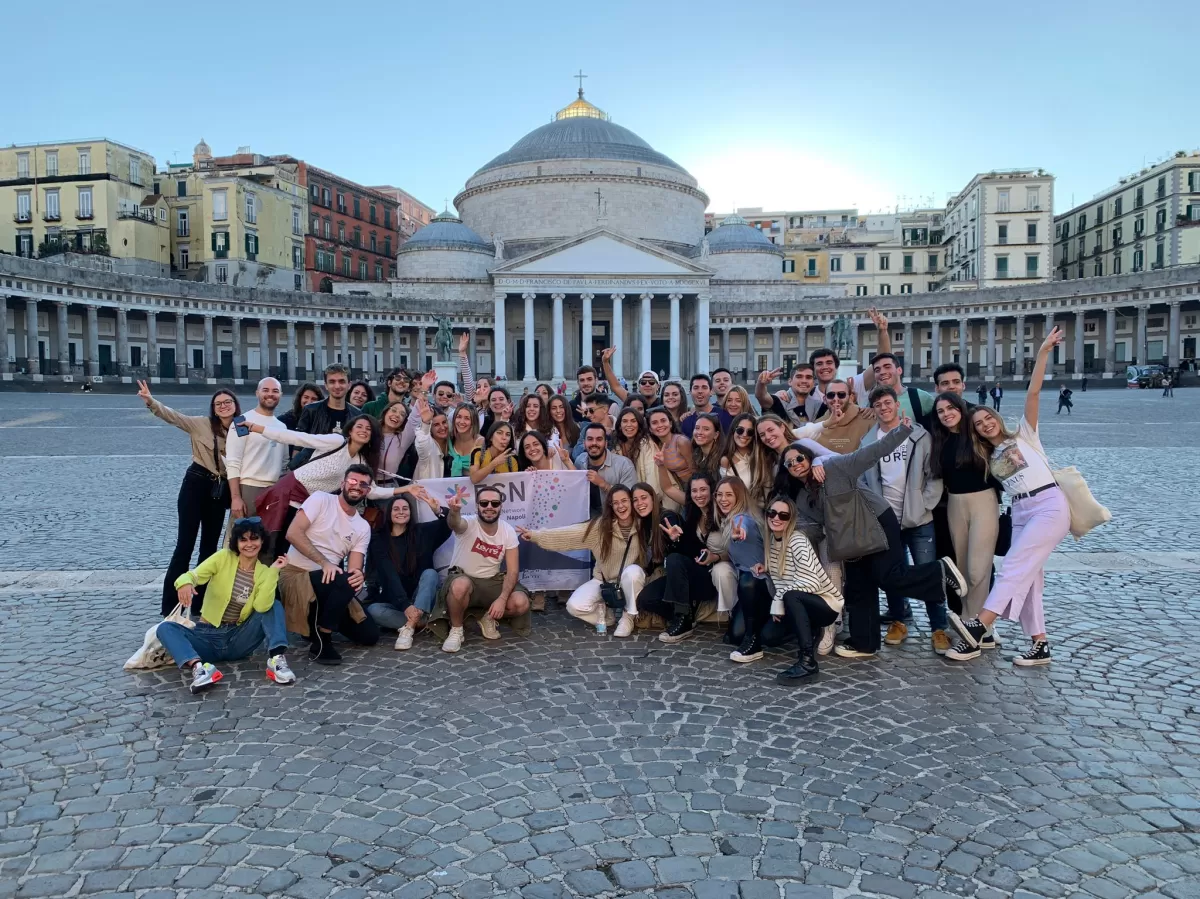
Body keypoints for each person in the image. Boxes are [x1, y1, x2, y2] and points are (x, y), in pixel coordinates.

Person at [947, 327, 1071, 666]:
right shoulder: (985, 457)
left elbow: (1034, 393)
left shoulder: (1025, 435)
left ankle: (978, 627)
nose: (985, 424)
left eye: (988, 418)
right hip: (1020, 511)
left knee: (1013, 566)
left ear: (997, 418)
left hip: (1048, 506)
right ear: (975, 432)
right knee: (1029, 579)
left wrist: (1043, 351)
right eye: (978, 423)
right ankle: (1040, 643)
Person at [797, 423, 966, 658]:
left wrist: (902, 431)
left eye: (799, 459)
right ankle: (864, 643)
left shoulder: (835, 467)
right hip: (849, 537)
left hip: (874, 520)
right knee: (859, 586)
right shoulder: (803, 496)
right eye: (789, 463)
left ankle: (940, 572)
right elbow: (813, 524)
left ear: (810, 458)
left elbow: (872, 452)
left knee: (888, 575)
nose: (795, 464)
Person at [157, 517, 294, 693]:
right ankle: (200, 669)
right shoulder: (223, 557)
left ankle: (277, 660)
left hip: (238, 639)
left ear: (262, 541)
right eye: (243, 539)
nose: (249, 544)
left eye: (254, 538)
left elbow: (261, 607)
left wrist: (274, 571)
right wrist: (184, 583)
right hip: (207, 637)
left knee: (273, 605)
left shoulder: (264, 572)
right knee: (165, 628)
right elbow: (194, 575)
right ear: (236, 542)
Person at [859, 386, 950, 653]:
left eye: (888, 403)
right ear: (873, 409)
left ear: (897, 405)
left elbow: (934, 474)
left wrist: (924, 505)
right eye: (878, 404)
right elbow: (863, 480)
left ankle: (939, 627)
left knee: (928, 571)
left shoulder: (919, 435)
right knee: (892, 574)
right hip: (886, 520)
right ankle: (898, 621)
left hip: (919, 518)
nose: (884, 408)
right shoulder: (868, 441)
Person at [138, 381, 238, 617]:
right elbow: (173, 417)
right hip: (195, 484)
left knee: (209, 549)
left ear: (235, 405)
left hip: (219, 490)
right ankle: (170, 608)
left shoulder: (242, 429)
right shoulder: (200, 424)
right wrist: (151, 402)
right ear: (213, 409)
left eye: (228, 402)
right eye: (218, 404)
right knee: (184, 545)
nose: (223, 406)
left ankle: (201, 605)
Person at [277, 465, 380, 664]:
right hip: (297, 575)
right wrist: (324, 563)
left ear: (367, 491)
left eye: (363, 484)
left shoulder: (362, 527)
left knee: (369, 635)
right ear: (342, 483)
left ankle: (316, 622)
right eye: (352, 481)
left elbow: (354, 568)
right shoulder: (321, 499)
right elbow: (293, 533)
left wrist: (359, 575)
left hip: (330, 583)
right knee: (339, 579)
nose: (356, 486)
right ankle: (322, 639)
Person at [518, 485, 645, 636]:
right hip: (604, 581)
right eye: (615, 502)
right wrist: (536, 536)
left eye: (624, 501)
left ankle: (628, 617)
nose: (620, 506)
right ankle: (605, 616)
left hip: (630, 581)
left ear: (631, 501)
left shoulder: (643, 525)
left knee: (633, 572)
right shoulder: (600, 527)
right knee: (574, 606)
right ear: (610, 506)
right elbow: (570, 534)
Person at [929, 392, 1001, 634]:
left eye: (951, 408)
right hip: (955, 504)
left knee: (978, 568)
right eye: (941, 411)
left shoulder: (976, 435)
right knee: (962, 568)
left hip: (983, 501)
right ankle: (972, 620)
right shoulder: (939, 441)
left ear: (960, 408)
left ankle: (977, 625)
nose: (946, 414)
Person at [758, 495, 844, 685]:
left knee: (791, 596)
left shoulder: (797, 540)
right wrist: (766, 568)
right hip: (800, 601)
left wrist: (779, 600)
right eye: (772, 513)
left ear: (791, 520)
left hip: (825, 604)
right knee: (768, 637)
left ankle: (808, 662)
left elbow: (812, 582)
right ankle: (810, 629)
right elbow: (784, 575)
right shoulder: (772, 540)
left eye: (783, 515)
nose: (776, 518)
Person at [435, 484, 532, 652]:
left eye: (495, 503)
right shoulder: (469, 522)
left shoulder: (508, 530)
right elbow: (455, 524)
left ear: (501, 506)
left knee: (521, 603)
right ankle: (456, 630)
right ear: (477, 506)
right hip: (465, 579)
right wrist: (454, 512)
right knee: (460, 585)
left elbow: (513, 571)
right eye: (484, 503)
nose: (489, 507)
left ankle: (487, 617)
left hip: (492, 582)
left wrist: (502, 599)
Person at [637, 473, 727, 643]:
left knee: (674, 560)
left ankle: (682, 621)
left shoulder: (722, 513)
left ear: (712, 491)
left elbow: (735, 549)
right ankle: (686, 615)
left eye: (703, 489)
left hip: (715, 574)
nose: (699, 495)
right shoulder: (693, 515)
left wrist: (716, 557)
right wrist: (676, 539)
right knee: (646, 598)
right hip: (693, 572)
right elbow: (689, 549)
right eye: (694, 491)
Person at [367, 488, 453, 650]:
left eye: (405, 508)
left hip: (423, 598)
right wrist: (405, 605)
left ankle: (410, 626)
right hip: (397, 601)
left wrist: (437, 510)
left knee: (430, 574)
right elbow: (389, 575)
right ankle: (422, 621)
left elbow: (448, 525)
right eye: (396, 509)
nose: (401, 512)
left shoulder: (422, 532)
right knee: (373, 610)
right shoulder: (379, 539)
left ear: (410, 512)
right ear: (389, 513)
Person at [223, 377, 285, 557]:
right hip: (248, 489)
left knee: (267, 547)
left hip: (273, 492)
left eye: (275, 391)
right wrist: (236, 497)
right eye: (266, 390)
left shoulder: (281, 426)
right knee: (240, 545)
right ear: (257, 393)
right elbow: (233, 462)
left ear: (280, 395)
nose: (270, 394)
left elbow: (284, 464)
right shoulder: (242, 421)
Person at [806, 307, 889, 416]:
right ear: (813, 369)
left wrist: (882, 332)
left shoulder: (853, 385)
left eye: (829, 363)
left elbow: (882, 361)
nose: (825, 367)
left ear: (836, 367)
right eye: (819, 364)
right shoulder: (808, 396)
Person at [291, 363, 361, 469]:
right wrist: (294, 471)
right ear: (326, 385)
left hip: (344, 471)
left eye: (341, 381)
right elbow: (299, 443)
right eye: (332, 382)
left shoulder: (357, 414)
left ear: (349, 385)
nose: (337, 386)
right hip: (312, 469)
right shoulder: (311, 410)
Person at [575, 422, 637, 514]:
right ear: (584, 443)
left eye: (599, 439)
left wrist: (603, 484)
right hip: (586, 517)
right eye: (590, 439)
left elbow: (629, 498)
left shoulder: (624, 465)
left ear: (606, 443)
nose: (594, 443)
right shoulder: (580, 460)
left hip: (614, 517)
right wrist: (566, 461)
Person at [807, 379, 877, 453]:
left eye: (841, 395)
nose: (835, 399)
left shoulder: (868, 418)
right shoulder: (818, 425)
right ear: (824, 399)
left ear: (851, 398)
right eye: (831, 395)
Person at [719, 412, 774, 504]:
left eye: (750, 432)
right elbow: (726, 492)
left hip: (764, 508)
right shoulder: (726, 460)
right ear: (733, 431)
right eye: (740, 430)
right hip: (741, 509)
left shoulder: (762, 455)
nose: (744, 435)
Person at [871, 351, 934, 427]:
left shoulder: (921, 397)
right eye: (877, 370)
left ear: (899, 370)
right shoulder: (871, 402)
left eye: (887, 367)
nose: (882, 372)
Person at [648, 406, 693, 512]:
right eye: (654, 423)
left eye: (663, 421)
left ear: (671, 423)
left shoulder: (681, 442)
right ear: (650, 429)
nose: (660, 425)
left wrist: (695, 491)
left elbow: (695, 469)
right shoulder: (657, 446)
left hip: (692, 487)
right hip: (677, 489)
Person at [756, 364, 822, 427]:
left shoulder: (820, 407)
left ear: (813, 383)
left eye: (808, 377)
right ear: (790, 382)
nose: (804, 381)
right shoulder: (779, 400)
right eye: (799, 377)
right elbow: (762, 397)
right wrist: (761, 384)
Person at [613, 407, 657, 485]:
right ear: (620, 426)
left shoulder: (647, 444)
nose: (629, 425)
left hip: (646, 490)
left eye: (633, 421)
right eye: (625, 421)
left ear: (639, 425)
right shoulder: (616, 448)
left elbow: (652, 479)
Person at [446, 402, 483, 477]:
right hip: (450, 483)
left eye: (467, 418)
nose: (461, 422)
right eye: (459, 417)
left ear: (473, 422)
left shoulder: (480, 442)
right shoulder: (449, 439)